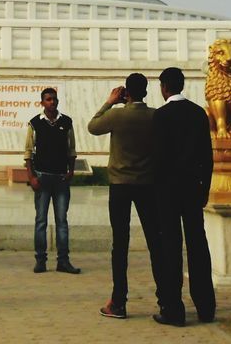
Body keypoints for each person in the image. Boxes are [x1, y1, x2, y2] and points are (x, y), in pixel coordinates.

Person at [87, 73, 157, 318]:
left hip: (120, 185)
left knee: (120, 243)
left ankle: (118, 302)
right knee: (155, 242)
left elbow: (93, 126)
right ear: (146, 92)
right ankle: (166, 300)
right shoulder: (154, 116)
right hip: (148, 185)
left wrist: (109, 101)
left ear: (126, 92)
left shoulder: (117, 115)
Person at [151, 66, 215, 327]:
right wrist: (204, 190)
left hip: (167, 191)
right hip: (192, 189)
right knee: (198, 246)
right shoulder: (198, 113)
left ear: (164, 87)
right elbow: (207, 157)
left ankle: (174, 309)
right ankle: (206, 306)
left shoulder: (161, 116)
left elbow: (157, 158)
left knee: (170, 250)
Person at [25, 87, 81, 274]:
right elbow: (28, 152)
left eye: (54, 99)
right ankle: (40, 260)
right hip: (42, 177)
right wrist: (31, 176)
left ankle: (63, 261)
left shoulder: (66, 122)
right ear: (42, 102)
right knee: (41, 220)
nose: (52, 102)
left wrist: (71, 171)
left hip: (60, 178)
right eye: (48, 99)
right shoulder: (35, 123)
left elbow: (71, 149)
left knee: (62, 221)